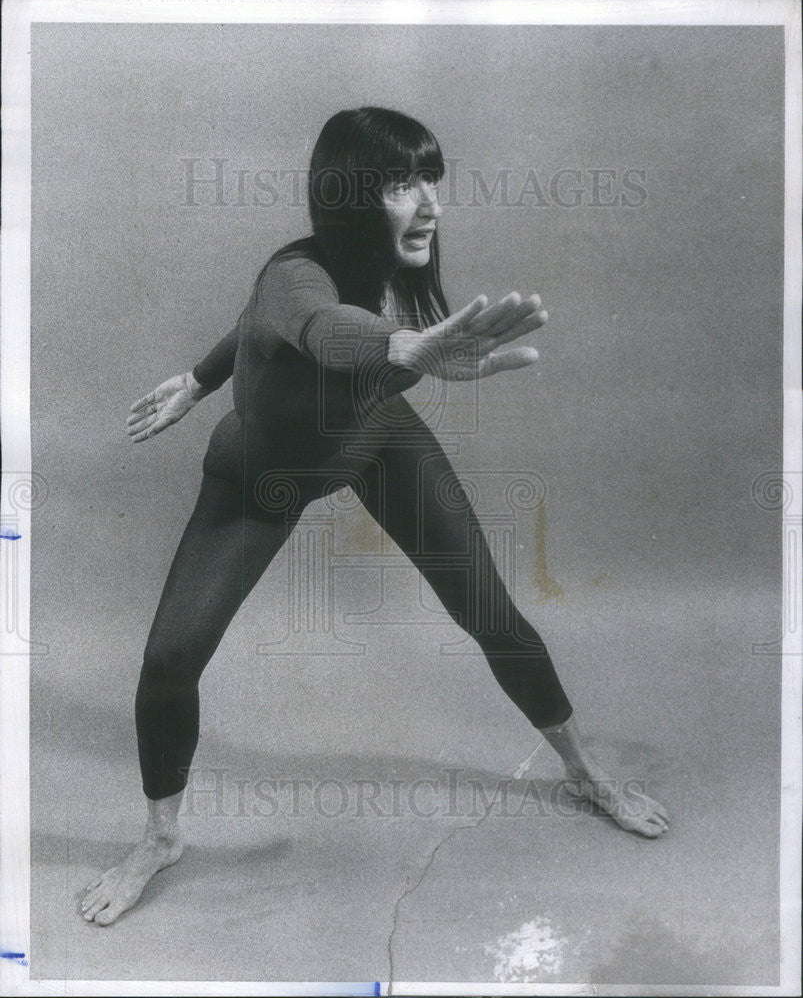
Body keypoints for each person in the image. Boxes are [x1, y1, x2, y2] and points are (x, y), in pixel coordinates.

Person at [82, 107, 668, 927]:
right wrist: (399, 350)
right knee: (171, 659)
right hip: (264, 475)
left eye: (432, 179)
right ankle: (160, 838)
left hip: (376, 439)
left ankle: (582, 770)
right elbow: (308, 322)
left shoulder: (396, 269)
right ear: (349, 196)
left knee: (491, 612)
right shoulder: (297, 271)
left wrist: (199, 374)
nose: (428, 202)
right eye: (401, 183)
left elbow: (259, 321)